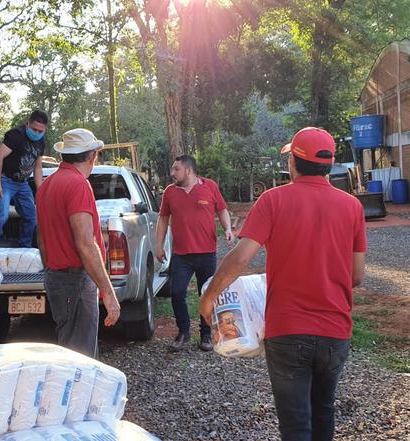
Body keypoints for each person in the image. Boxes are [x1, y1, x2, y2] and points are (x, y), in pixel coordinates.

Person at [200, 127, 367, 441]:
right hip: (334, 331)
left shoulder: (273, 200)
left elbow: (240, 257)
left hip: (288, 332)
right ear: (329, 163)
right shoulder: (352, 207)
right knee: (323, 412)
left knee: (295, 425)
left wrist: (210, 297)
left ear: (293, 163)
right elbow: (357, 276)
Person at [36, 128, 121, 358]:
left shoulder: (46, 185)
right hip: (74, 279)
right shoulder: (78, 184)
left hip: (56, 277)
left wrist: (51, 269)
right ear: (92, 155)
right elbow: (85, 243)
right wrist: (108, 292)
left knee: (69, 352)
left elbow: (41, 239)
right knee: (81, 360)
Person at [155, 155, 233, 351]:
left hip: (206, 253)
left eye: (176, 169)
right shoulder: (170, 192)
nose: (172, 173)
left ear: (188, 170)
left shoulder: (210, 186)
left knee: (206, 293)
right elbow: (163, 219)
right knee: (177, 292)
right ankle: (183, 331)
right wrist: (159, 244)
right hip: (181, 255)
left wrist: (229, 229)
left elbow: (222, 209)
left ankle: (206, 335)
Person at [0, 110, 48, 249]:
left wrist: (41, 190)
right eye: (34, 129)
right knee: (2, 215)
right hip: (5, 179)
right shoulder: (15, 135)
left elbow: (37, 168)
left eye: (40, 131)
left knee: (32, 217)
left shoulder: (41, 142)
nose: (36, 133)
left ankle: (24, 247)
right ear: (27, 124)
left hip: (22, 183)